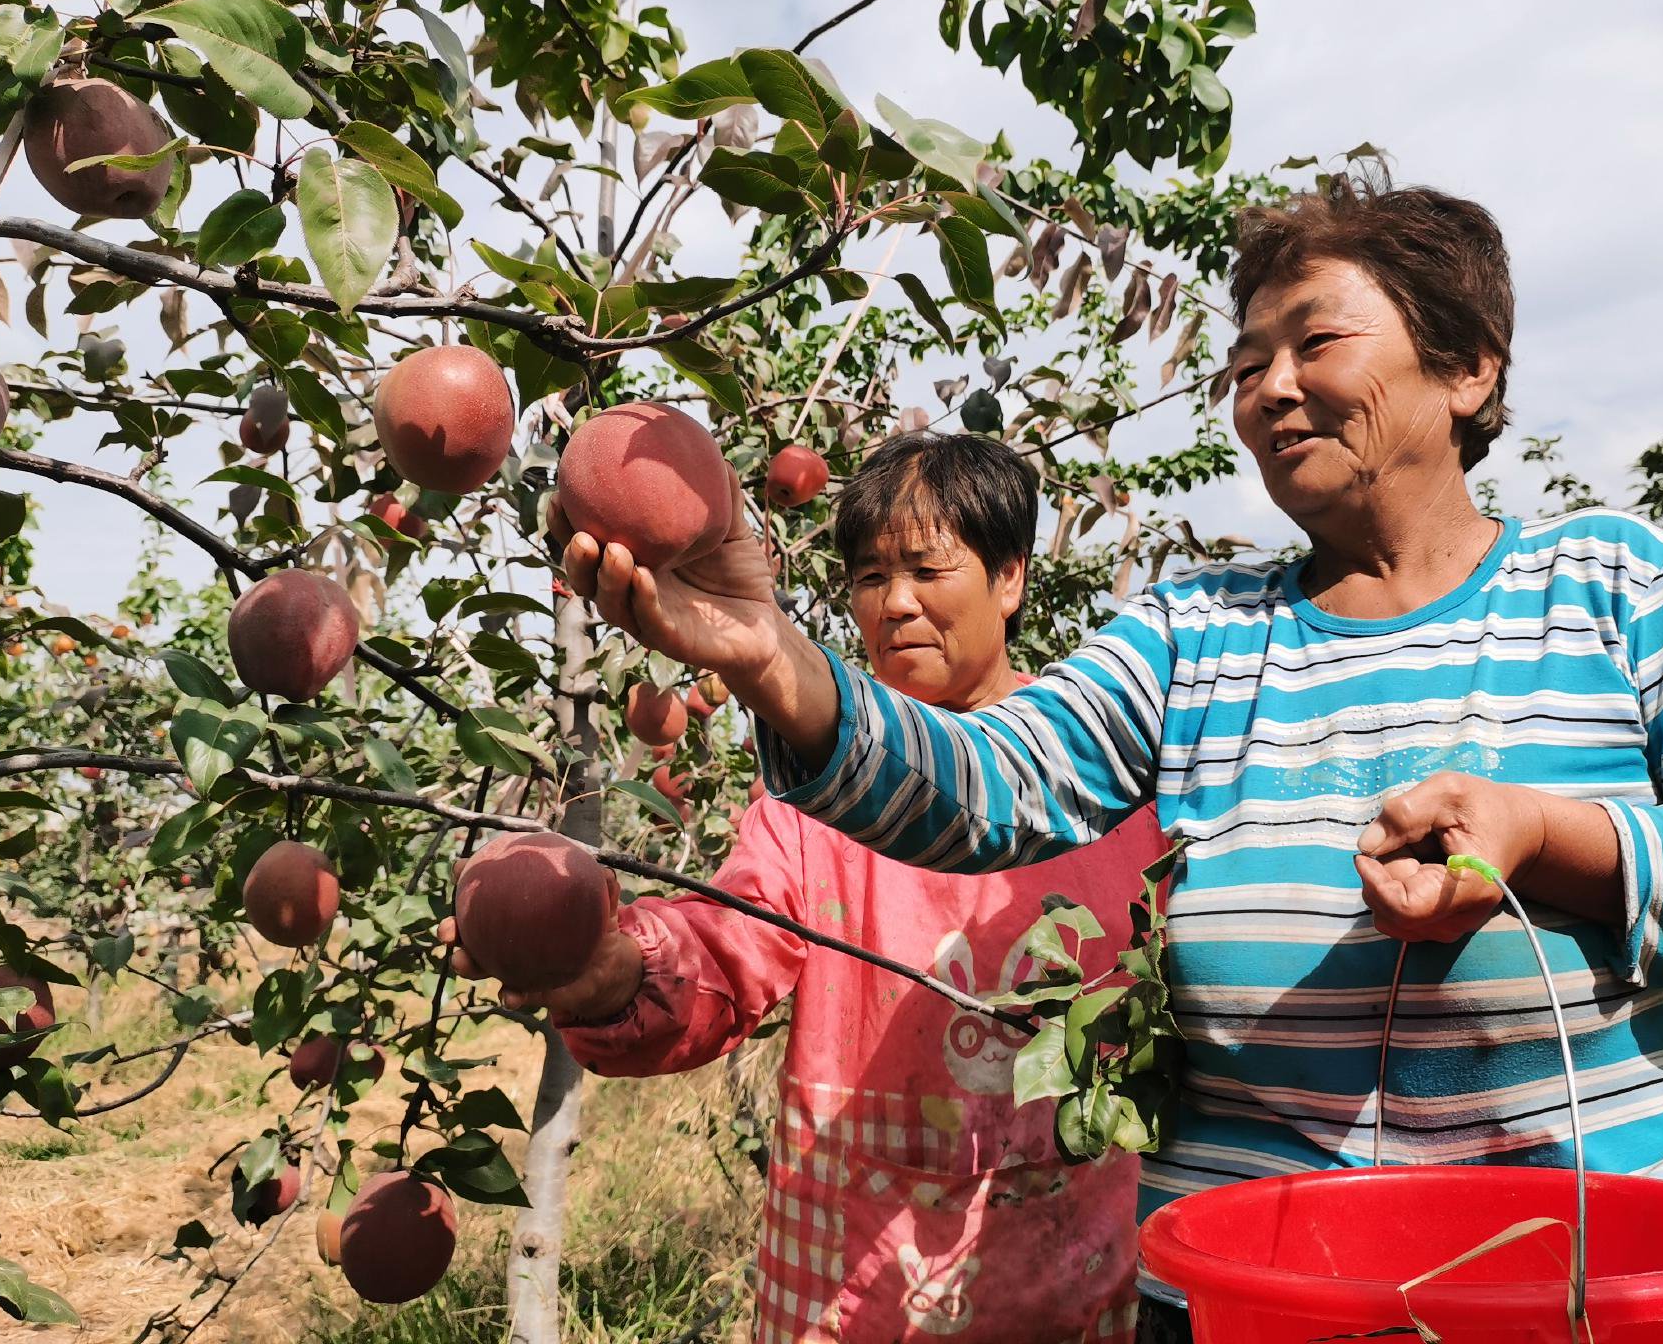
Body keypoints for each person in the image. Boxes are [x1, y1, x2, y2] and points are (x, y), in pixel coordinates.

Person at [566, 177, 1663, 1338]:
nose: (1267, 388)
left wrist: (1552, 839)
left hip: (1570, 1282)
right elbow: (984, 787)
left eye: (1314, 341)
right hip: (1252, 1297)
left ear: (1469, 368)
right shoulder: (1193, 637)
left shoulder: (1613, 588)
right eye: (1244, 364)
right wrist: (780, 664)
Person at [452, 433, 1164, 1344]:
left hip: (1071, 1294)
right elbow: (729, 944)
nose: (895, 603)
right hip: (849, 1291)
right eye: (870, 576)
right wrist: (619, 971)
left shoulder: (1106, 784)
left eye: (926, 570)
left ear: (1012, 580)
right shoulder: (822, 791)